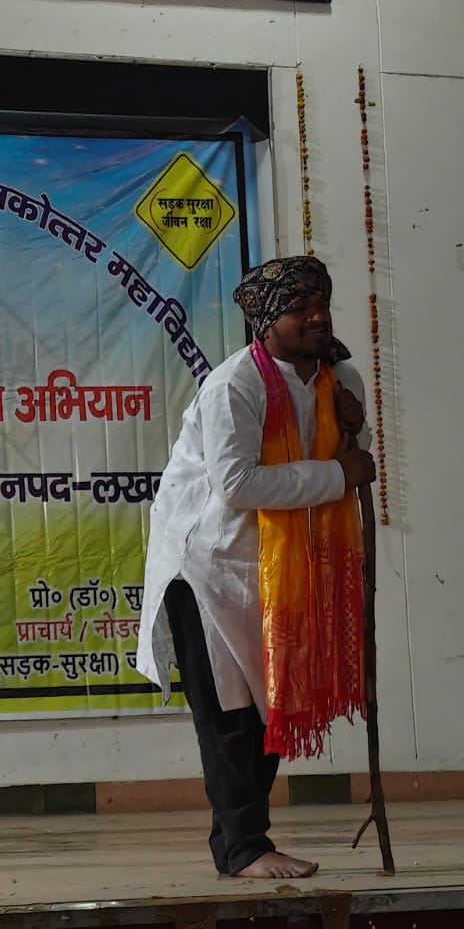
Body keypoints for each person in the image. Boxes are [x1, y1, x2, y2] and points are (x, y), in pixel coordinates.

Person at [138, 257, 376, 880]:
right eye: (299, 308)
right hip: (209, 569)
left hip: (285, 572)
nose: (317, 317)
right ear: (266, 321)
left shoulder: (340, 377)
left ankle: (238, 843)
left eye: (322, 304)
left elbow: (353, 458)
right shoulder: (234, 386)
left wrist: (355, 431)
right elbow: (238, 484)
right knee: (229, 716)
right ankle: (245, 847)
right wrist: (339, 473)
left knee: (272, 709)